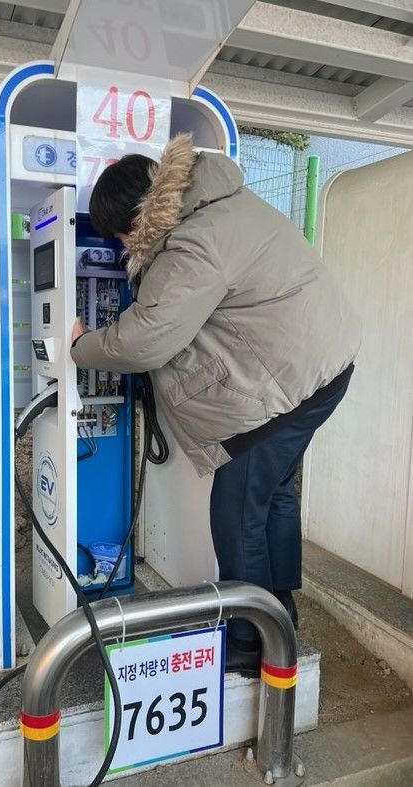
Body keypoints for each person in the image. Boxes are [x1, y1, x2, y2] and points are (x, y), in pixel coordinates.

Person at [70, 133, 360, 675]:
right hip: (322, 368)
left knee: (237, 510)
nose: (121, 248)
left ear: (134, 221)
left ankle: (249, 643)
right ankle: (281, 610)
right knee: (273, 494)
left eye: (119, 237)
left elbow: (145, 341)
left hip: (285, 385)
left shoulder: (191, 243)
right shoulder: (218, 202)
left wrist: (78, 344)